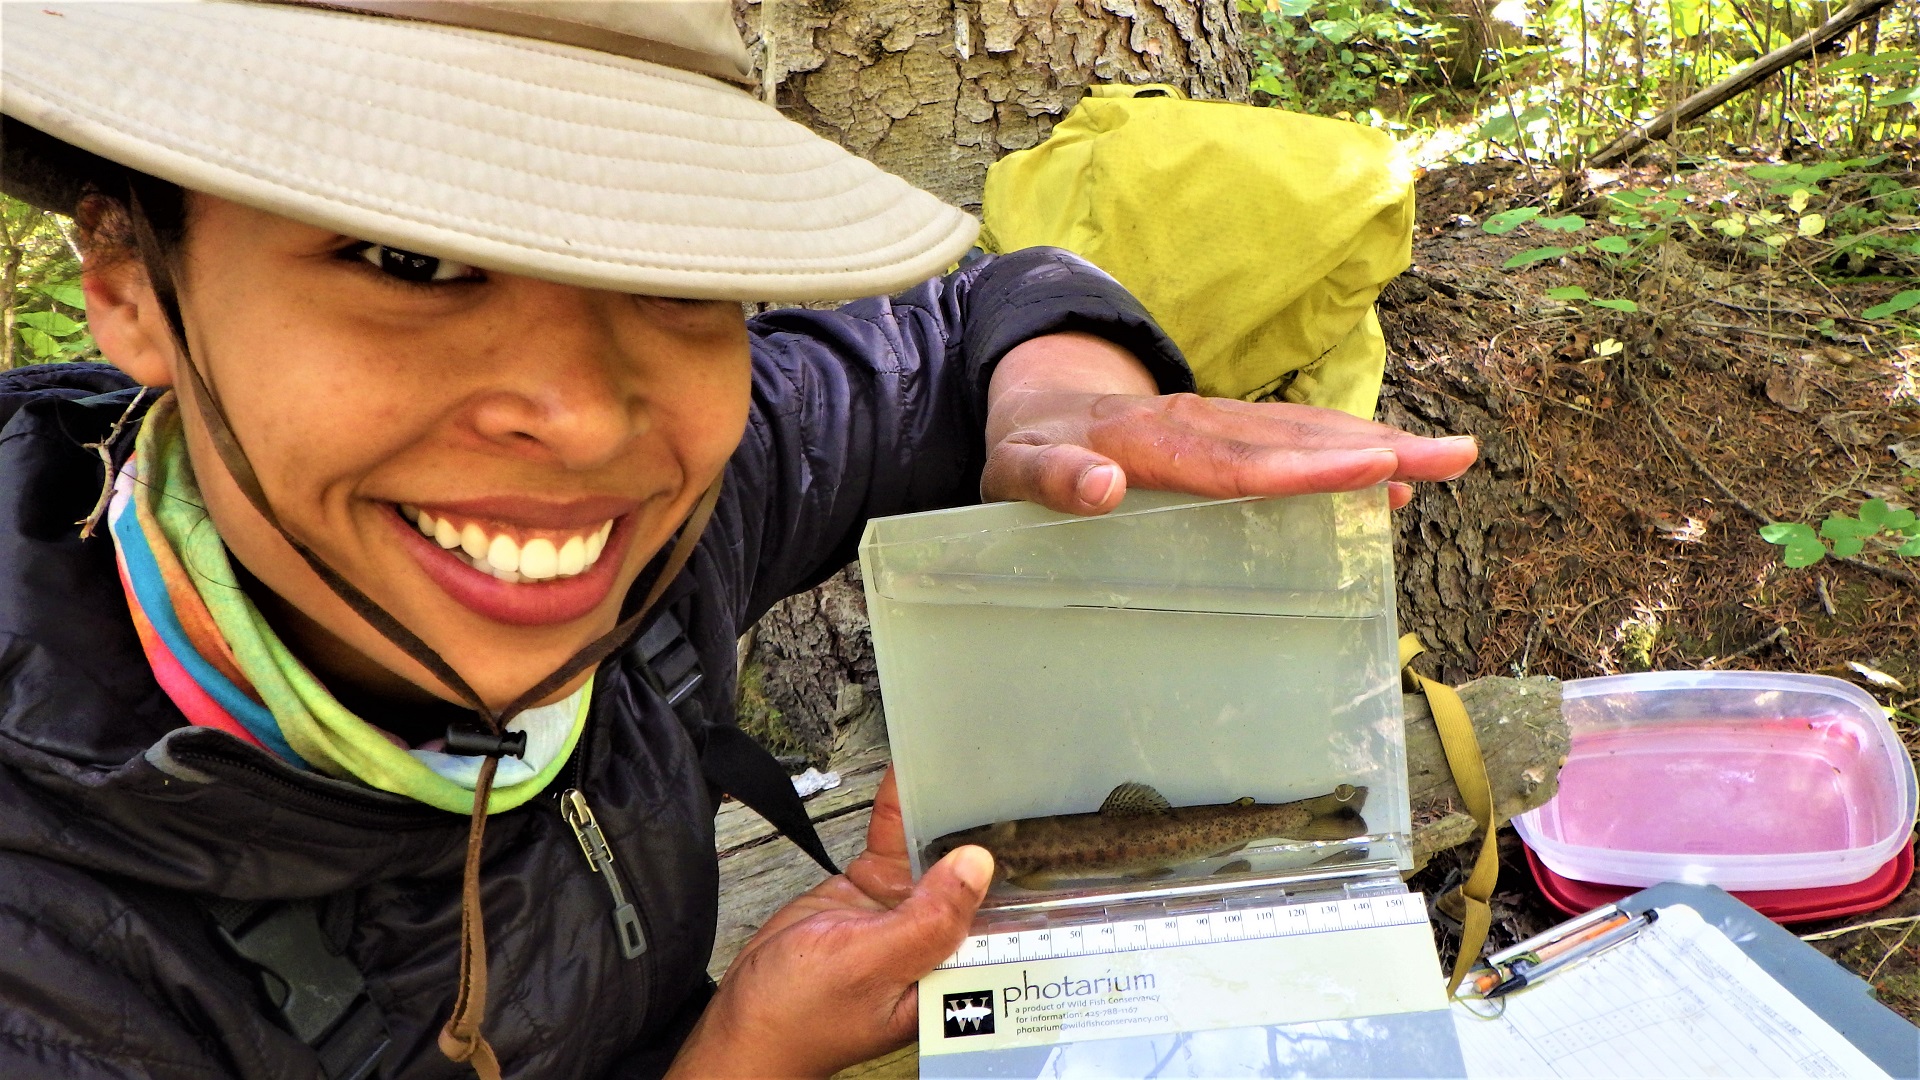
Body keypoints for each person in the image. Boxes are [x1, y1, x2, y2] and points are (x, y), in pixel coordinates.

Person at [0, 3, 1479, 1078]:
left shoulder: (670, 504)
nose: (584, 421)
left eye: (674, 277)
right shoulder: (50, 964)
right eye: (411, 262)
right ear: (130, 277)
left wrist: (1072, 400)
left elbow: (966, 314)